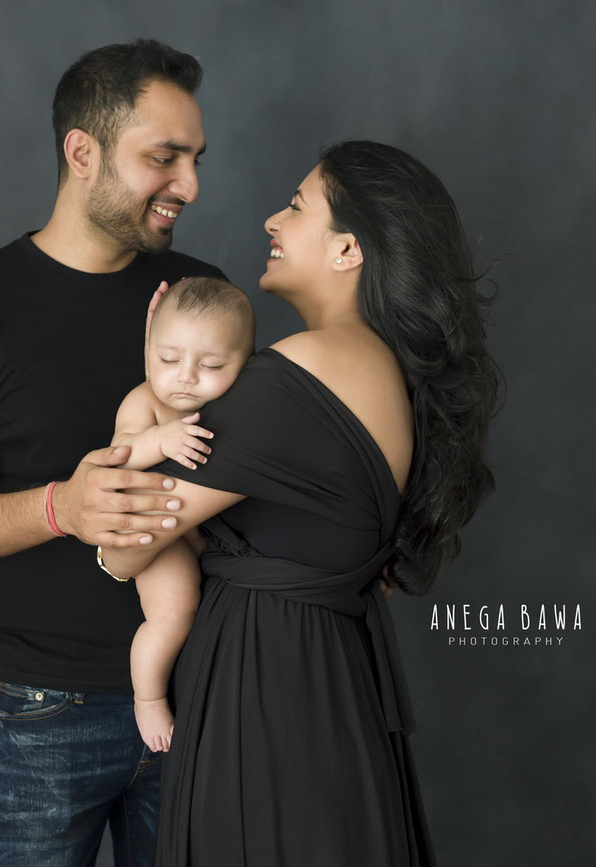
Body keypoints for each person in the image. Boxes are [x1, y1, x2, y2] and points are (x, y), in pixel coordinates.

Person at [99, 140, 504, 866]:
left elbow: (127, 544)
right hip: (325, 694)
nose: (269, 219)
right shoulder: (379, 371)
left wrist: (157, 371)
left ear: (349, 249)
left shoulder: (299, 376)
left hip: (268, 706)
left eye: (295, 204)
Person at [0, 39, 225, 867]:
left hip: (201, 698)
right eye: (164, 157)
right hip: (44, 717)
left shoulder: (201, 300)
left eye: (193, 159)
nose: (188, 185)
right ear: (82, 152)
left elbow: (251, 468)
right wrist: (62, 507)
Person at [102, 276, 256, 752]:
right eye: (168, 359)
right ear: (148, 348)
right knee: (174, 612)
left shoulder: (235, 406)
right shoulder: (145, 400)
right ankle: (148, 699)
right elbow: (116, 457)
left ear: (246, 364)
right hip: (158, 538)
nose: (185, 376)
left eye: (211, 364)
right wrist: (157, 441)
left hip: (212, 538)